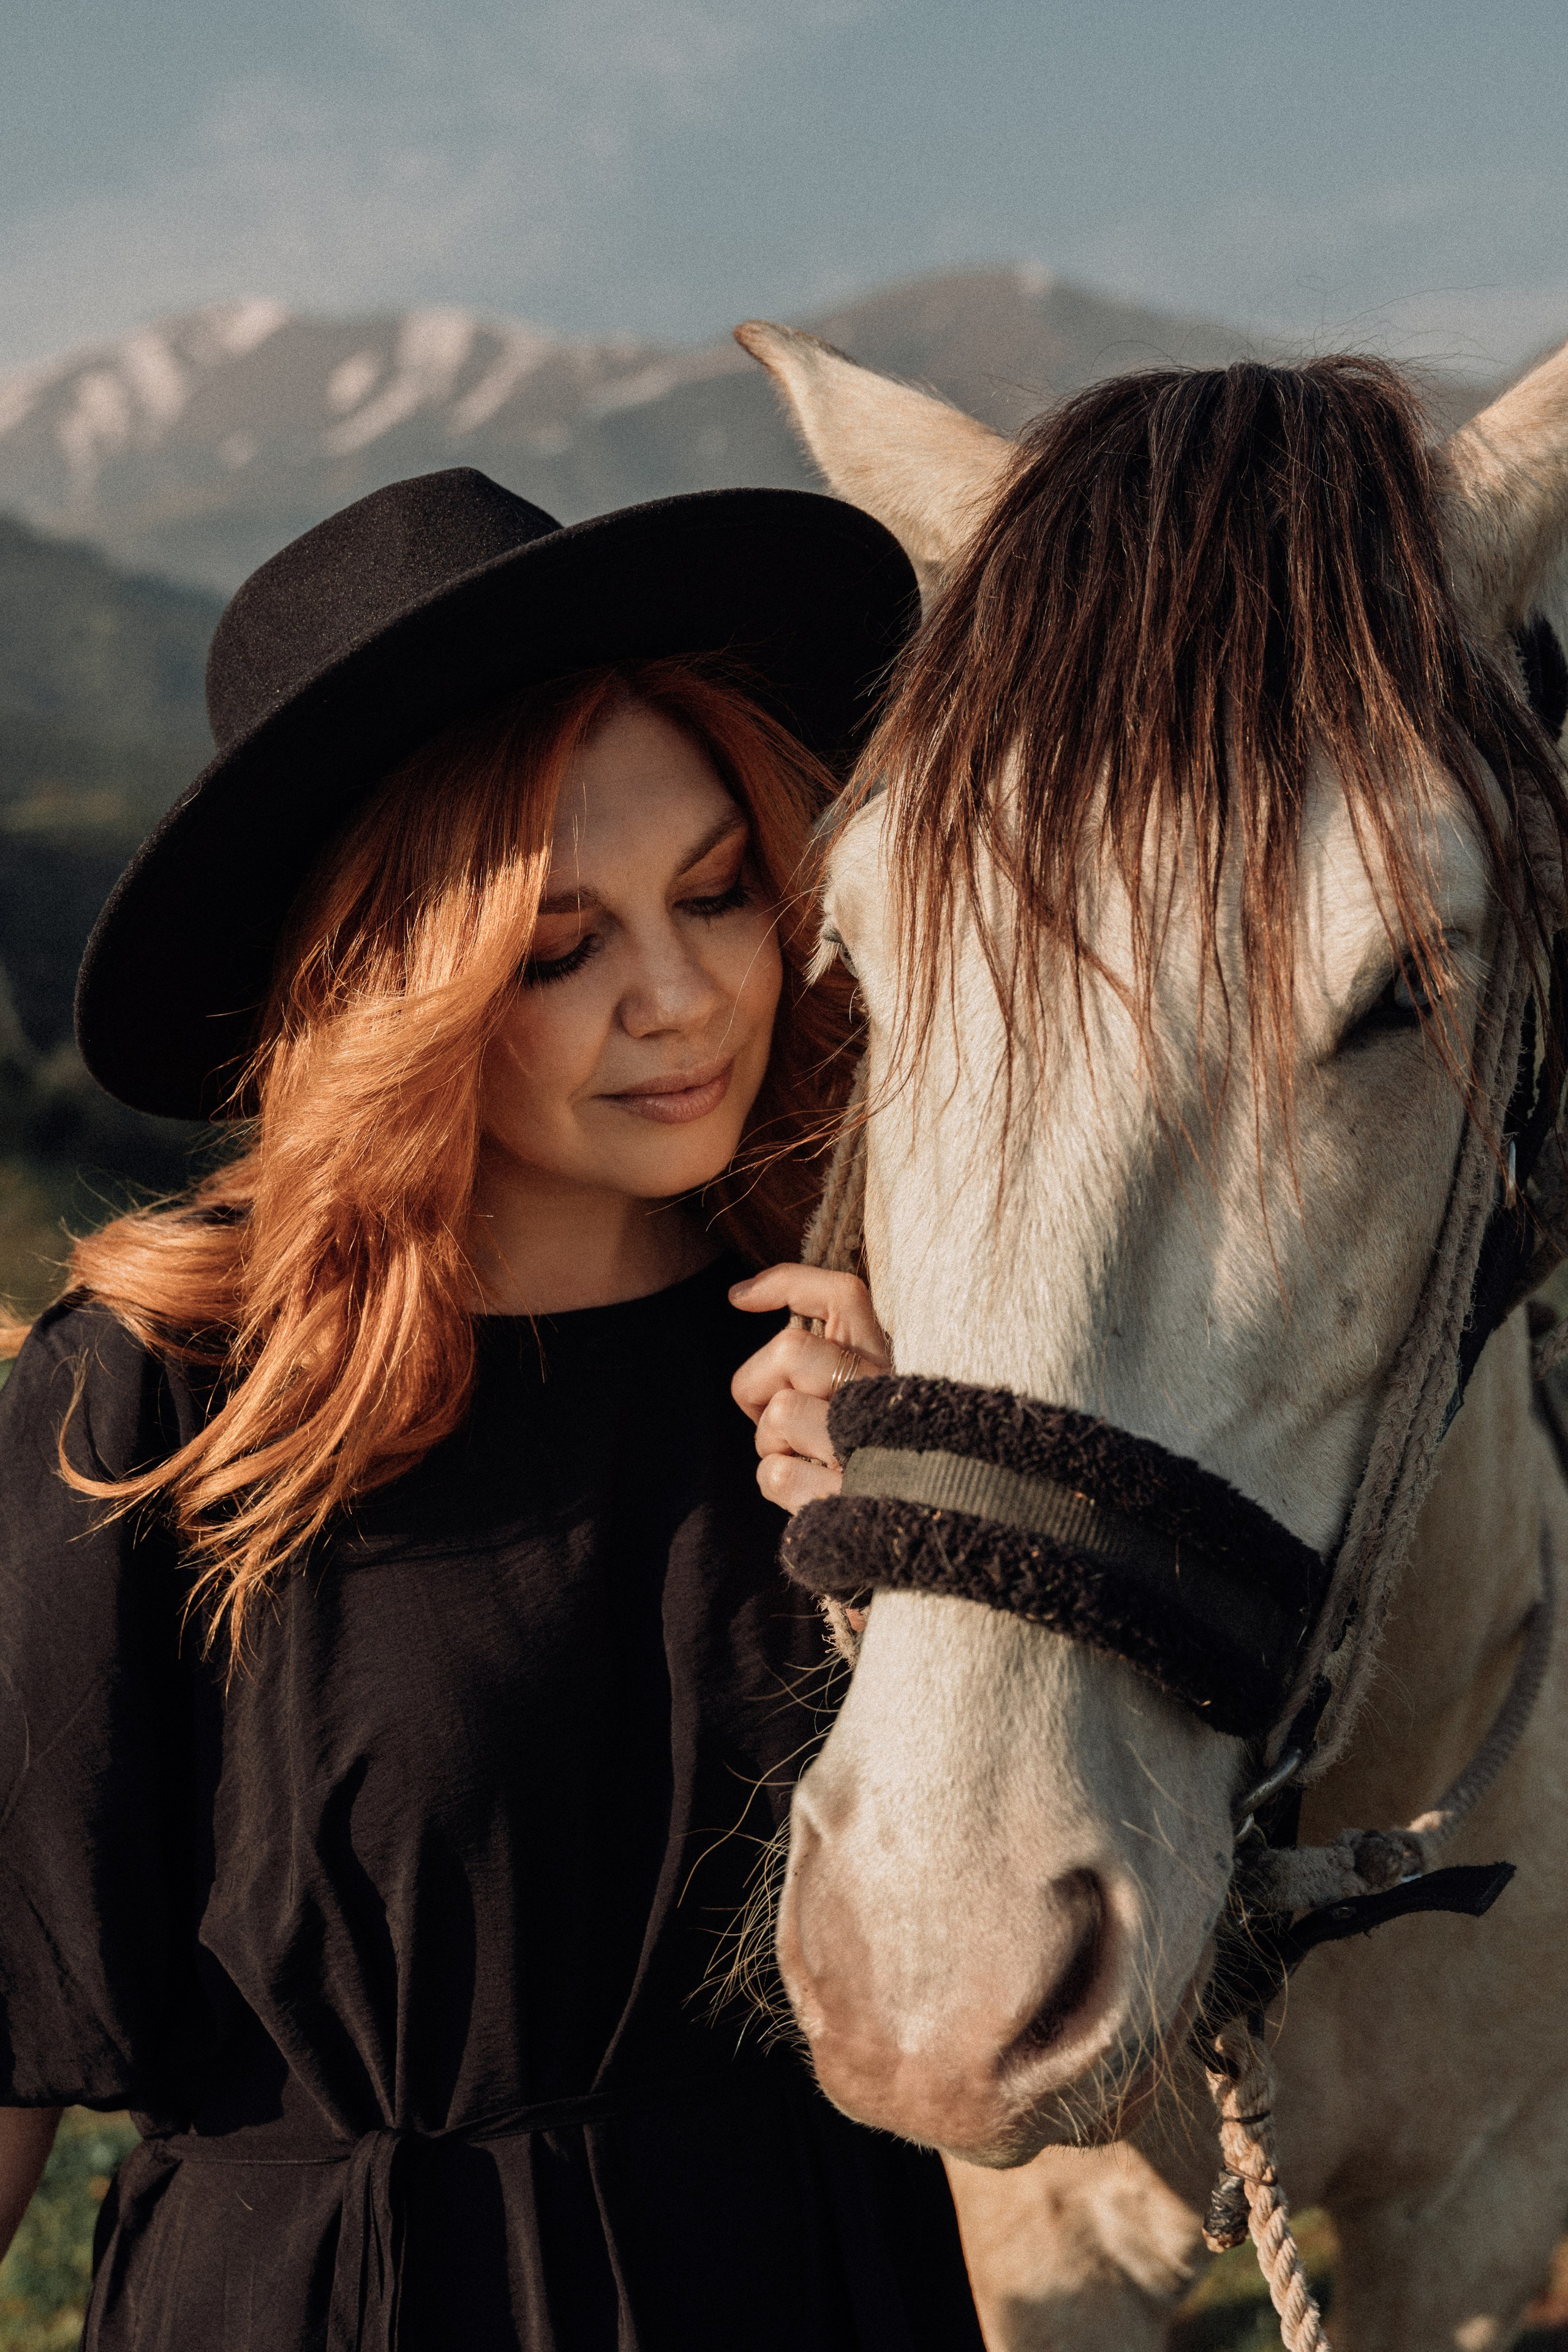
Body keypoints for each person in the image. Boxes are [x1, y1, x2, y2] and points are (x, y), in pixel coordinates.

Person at [0, 469, 984, 2351]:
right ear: (395, 985)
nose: (684, 994)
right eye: (561, 946)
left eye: (716, 893)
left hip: (808, 2288)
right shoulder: (160, 1401)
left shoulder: (877, 1364)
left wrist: (924, 1568)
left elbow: (1044, 1977)